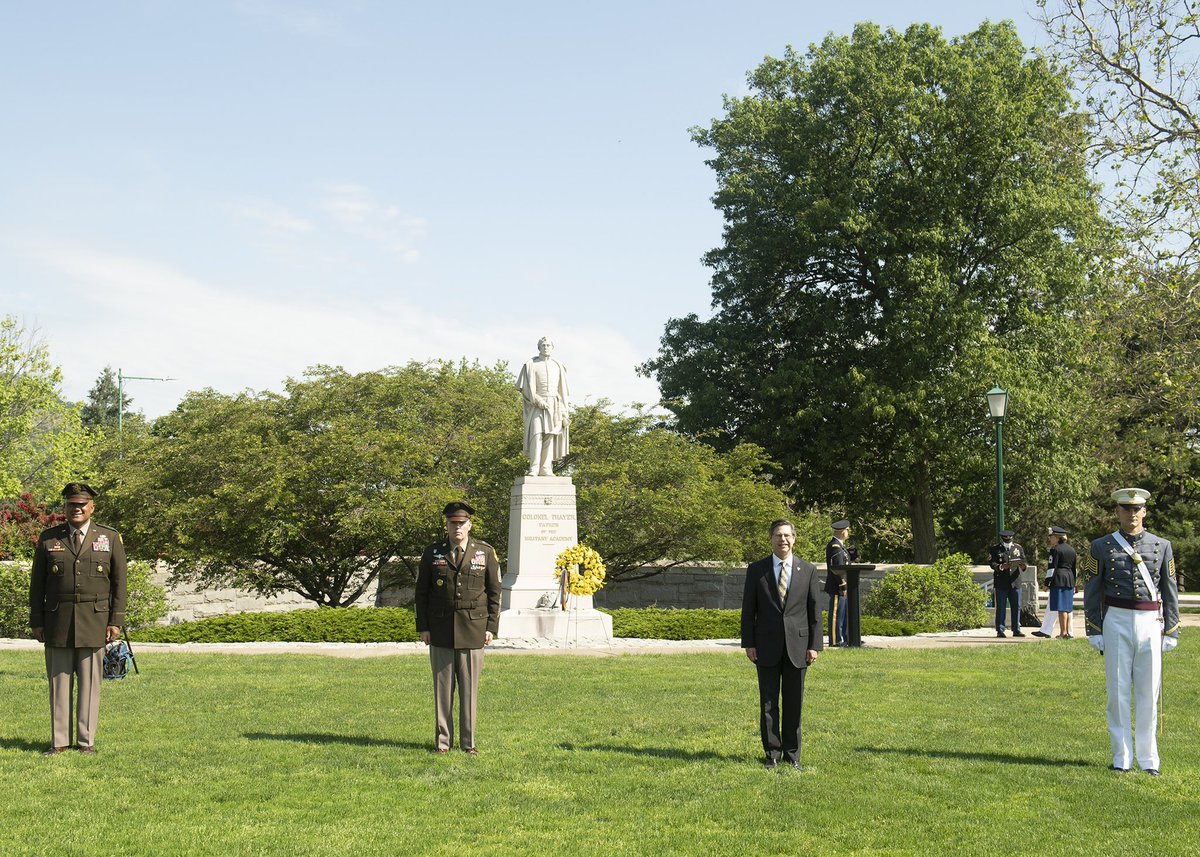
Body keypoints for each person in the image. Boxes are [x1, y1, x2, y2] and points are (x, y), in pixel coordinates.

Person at [1082, 488, 1180, 776]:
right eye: (1126, 509)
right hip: (1117, 620)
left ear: (1145, 512)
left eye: (1137, 509)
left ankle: (1149, 760)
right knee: (1117, 691)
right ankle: (1121, 757)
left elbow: (1170, 591)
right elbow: (1092, 589)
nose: (1132, 514)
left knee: (1149, 692)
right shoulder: (1101, 547)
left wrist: (1172, 629)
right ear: (1117, 512)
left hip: (1151, 620)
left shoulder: (1162, 546)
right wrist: (1094, 628)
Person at [28, 482, 127, 756]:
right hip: (57, 621)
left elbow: (119, 584)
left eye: (82, 505)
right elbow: (37, 584)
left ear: (92, 507)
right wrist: (37, 620)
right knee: (59, 684)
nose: (77, 509)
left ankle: (86, 742)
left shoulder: (109, 538)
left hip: (94, 621)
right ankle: (59, 742)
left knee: (90, 684)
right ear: (65, 508)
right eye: (72, 505)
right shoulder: (49, 538)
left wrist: (115, 621)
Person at [414, 501, 502, 755]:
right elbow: (421, 593)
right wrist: (424, 627)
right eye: (453, 524)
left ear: (469, 525)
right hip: (440, 629)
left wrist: (491, 627)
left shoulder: (484, 552)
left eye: (461, 524)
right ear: (447, 525)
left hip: (474, 629)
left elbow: (495, 593)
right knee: (443, 691)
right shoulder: (432, 553)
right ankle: (443, 742)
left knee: (469, 691)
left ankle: (468, 743)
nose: (457, 528)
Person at [741, 518, 822, 770]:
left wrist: (814, 645)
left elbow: (814, 611)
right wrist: (749, 643)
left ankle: (792, 755)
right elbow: (748, 610)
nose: (783, 539)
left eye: (787, 535)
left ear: (794, 538)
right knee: (768, 703)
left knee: (793, 702)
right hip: (765, 646)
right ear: (771, 539)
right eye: (778, 535)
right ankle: (772, 755)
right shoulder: (757, 570)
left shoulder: (807, 571)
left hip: (798, 647)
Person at [516, 336, 570, 476]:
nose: (546, 347)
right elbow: (525, 388)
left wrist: (564, 413)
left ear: (552, 348)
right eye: (543, 345)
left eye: (548, 345)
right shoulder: (531, 365)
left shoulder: (558, 366)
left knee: (550, 436)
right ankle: (534, 468)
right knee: (536, 434)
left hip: (554, 405)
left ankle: (545, 467)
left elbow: (562, 392)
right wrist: (538, 400)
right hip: (537, 405)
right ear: (539, 347)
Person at [1033, 527, 1076, 639]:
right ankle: (1067, 632)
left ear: (1057, 538)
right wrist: (1074, 583)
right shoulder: (1071, 549)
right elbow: (1074, 568)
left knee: (1061, 608)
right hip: (1069, 579)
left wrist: (1047, 583)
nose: (1050, 539)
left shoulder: (1055, 550)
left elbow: (1052, 568)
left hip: (1059, 579)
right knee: (1067, 608)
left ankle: (1063, 633)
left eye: (1051, 537)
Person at [988, 530, 1027, 638]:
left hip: (1015, 581)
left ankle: (1016, 629)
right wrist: (1001, 567)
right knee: (1001, 607)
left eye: (1010, 539)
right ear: (1002, 539)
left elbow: (1024, 561)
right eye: (1006, 540)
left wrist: (1023, 565)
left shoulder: (1018, 548)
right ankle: (1000, 630)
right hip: (1001, 582)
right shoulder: (995, 549)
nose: (1008, 541)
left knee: (1016, 606)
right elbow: (992, 563)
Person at [823, 519, 855, 647]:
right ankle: (836, 640)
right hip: (838, 587)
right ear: (843, 532)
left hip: (842, 588)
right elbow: (838, 568)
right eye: (847, 531)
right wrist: (844, 586)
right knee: (837, 616)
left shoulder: (839, 546)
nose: (848, 533)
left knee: (843, 615)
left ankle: (845, 639)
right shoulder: (835, 547)